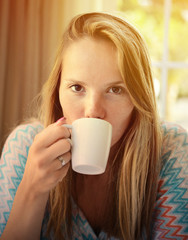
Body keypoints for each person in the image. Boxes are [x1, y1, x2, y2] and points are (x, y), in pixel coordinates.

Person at [0, 12, 187, 240]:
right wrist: (32, 189)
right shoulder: (24, 148)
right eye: (77, 87)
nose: (93, 111)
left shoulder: (172, 151)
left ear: (139, 99)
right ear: (57, 91)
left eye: (115, 90)